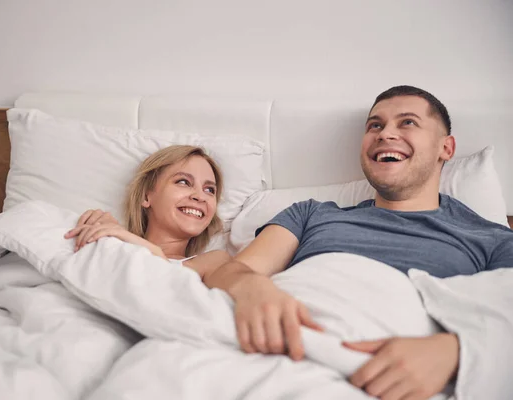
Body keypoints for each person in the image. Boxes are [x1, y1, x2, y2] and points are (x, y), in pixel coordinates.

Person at [203, 86, 513, 400]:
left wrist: (457, 351)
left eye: (407, 123)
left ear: (446, 148)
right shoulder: (310, 214)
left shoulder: (493, 239)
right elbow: (231, 272)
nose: (384, 134)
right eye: (375, 125)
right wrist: (252, 287)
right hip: (275, 351)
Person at [64, 145, 231, 279]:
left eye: (209, 190)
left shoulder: (214, 261)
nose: (200, 196)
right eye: (183, 182)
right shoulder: (114, 242)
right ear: (146, 196)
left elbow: (173, 287)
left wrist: (126, 238)